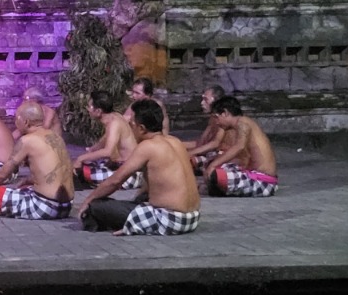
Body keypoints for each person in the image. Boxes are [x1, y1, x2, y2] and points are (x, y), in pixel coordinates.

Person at [79, 101, 201, 236]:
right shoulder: (175, 141)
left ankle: (123, 225)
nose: (130, 128)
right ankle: (135, 222)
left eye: (132, 124)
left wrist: (87, 201)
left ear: (142, 128)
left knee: (95, 207)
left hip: (169, 220)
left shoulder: (148, 146)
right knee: (138, 199)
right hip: (192, 218)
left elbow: (115, 181)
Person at [0, 104, 75, 220]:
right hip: (66, 207)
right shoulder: (55, 136)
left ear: (26, 122)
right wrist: (27, 180)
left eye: (16, 119)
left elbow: (2, 174)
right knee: (23, 187)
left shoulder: (27, 141)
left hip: (45, 207)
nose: (15, 123)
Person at [204, 97, 279, 197]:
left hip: (263, 182)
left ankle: (217, 187)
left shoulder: (243, 122)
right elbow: (244, 158)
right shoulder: (240, 125)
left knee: (216, 175)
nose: (217, 122)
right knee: (214, 165)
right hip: (251, 175)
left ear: (225, 113)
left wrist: (213, 166)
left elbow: (239, 147)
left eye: (217, 117)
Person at [71, 91, 140, 189]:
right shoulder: (114, 117)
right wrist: (92, 149)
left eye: (90, 107)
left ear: (98, 111)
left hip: (128, 175)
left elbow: (108, 152)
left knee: (80, 172)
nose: (88, 109)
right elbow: (106, 138)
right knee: (83, 164)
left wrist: (81, 158)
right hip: (118, 166)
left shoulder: (114, 123)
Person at [186, 86, 231, 168]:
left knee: (184, 160)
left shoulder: (223, 117)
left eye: (206, 99)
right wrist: (177, 144)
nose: (202, 103)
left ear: (216, 101)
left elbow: (215, 143)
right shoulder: (212, 118)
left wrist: (189, 153)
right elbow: (201, 143)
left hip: (225, 157)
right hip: (212, 154)